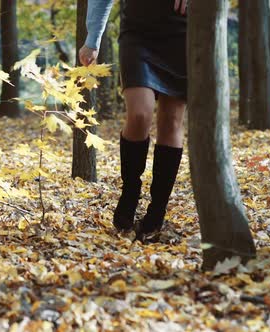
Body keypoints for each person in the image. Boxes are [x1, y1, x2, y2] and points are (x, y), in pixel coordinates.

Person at [80, 0, 189, 242]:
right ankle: (130, 191)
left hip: (183, 30)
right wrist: (93, 38)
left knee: (171, 121)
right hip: (138, 33)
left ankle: (157, 210)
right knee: (140, 114)